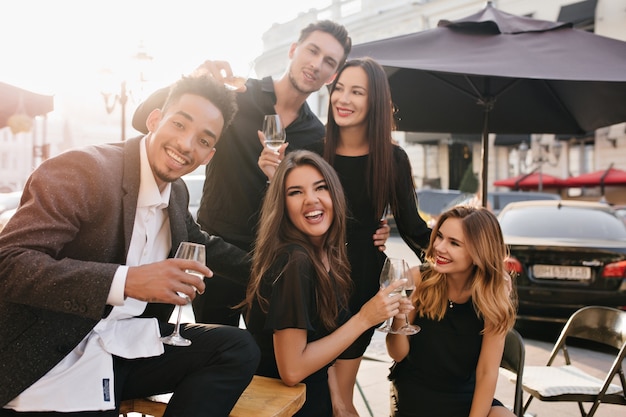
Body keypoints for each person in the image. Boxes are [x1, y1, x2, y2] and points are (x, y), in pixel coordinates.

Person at [0, 74, 260, 416]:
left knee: (236, 347)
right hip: (56, 351)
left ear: (209, 155)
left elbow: (204, 244)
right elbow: (11, 264)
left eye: (202, 140)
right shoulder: (83, 170)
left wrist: (279, 269)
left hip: (125, 344)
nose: (185, 145)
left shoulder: (176, 192)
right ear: (154, 120)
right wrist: (126, 281)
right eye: (179, 125)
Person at [132, 20, 389, 328]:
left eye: (328, 62)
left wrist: (375, 229)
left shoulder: (318, 136)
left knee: (265, 364)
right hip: (215, 253)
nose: (316, 64)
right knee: (215, 352)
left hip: (275, 261)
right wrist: (193, 80)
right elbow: (141, 119)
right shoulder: (236, 96)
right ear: (294, 50)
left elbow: (326, 201)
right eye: (312, 51)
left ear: (331, 76)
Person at [258, 57, 431, 416]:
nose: (343, 99)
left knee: (339, 399)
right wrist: (273, 179)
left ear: (375, 102)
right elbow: (291, 212)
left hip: (360, 280)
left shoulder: (393, 159)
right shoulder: (311, 147)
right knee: (316, 393)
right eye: (339, 89)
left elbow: (413, 228)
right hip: (310, 278)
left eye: (357, 92)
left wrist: (467, 260)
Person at [243, 150, 406, 417]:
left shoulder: (324, 255)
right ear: (282, 205)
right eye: (295, 192)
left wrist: (339, 401)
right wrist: (365, 318)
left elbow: (320, 342)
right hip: (289, 407)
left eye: (321, 188)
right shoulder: (295, 261)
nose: (311, 199)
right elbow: (292, 370)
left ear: (335, 195)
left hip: (317, 399)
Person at [385, 206, 517, 417]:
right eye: (439, 236)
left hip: (466, 397)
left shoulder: (493, 297)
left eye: (454, 243)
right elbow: (398, 354)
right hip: (417, 397)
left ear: (478, 253)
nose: (439, 247)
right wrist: (399, 318)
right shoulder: (418, 280)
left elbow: (487, 373)